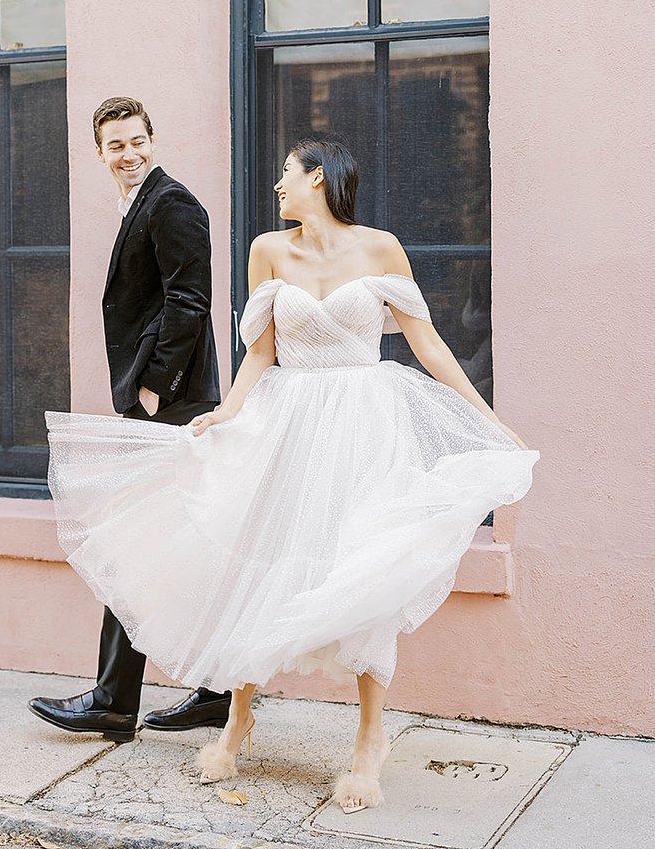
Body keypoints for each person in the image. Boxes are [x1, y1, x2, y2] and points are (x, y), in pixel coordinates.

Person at [45, 139, 538, 811]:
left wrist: (488, 419)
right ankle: (238, 716)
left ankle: (370, 738)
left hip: (366, 423)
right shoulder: (268, 251)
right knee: (263, 560)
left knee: (364, 565)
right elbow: (260, 354)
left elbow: (429, 345)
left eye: (286, 174)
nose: (277, 186)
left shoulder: (382, 248)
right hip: (288, 421)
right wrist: (227, 411)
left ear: (319, 178)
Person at [29, 97, 231, 743]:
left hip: (173, 407)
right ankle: (216, 689)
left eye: (137, 141)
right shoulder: (141, 203)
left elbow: (189, 302)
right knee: (180, 547)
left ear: (153, 139)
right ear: (99, 153)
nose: (129, 154)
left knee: (130, 544)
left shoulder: (171, 204)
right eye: (116, 146)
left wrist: (151, 388)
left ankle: (116, 701)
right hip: (163, 406)